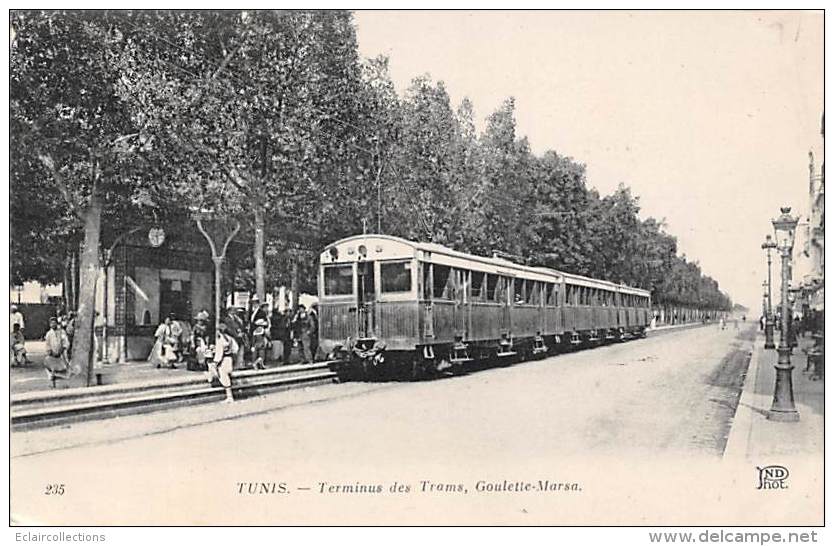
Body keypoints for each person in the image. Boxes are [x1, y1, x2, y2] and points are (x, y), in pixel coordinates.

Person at [43, 317, 77, 386]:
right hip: (52, 353)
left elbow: (65, 342)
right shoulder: (48, 334)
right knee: (50, 365)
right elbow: (47, 344)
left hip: (62, 353)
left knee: (65, 365)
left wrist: (62, 349)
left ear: (57, 323)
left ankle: (65, 382)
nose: (53, 324)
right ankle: (53, 382)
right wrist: (51, 352)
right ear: (50, 325)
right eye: (52, 323)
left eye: (54, 323)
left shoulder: (61, 332)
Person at [209, 322, 236, 403]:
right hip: (230, 359)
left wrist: (215, 362)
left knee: (223, 376)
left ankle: (229, 396)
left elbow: (219, 354)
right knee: (227, 376)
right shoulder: (230, 339)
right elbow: (236, 349)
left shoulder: (220, 340)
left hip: (224, 360)